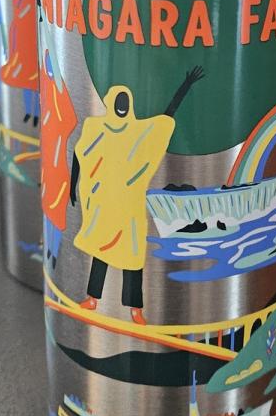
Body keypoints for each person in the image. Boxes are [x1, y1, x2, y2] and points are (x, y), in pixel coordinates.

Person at [69, 68, 204, 324]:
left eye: (125, 102)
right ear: (111, 103)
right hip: (103, 203)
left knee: (132, 256)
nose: (121, 106)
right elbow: (79, 154)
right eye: (118, 102)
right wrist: (72, 187)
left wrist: (185, 87)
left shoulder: (137, 131)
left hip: (130, 207)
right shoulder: (96, 128)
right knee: (100, 248)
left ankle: (135, 310)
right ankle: (93, 298)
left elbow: (165, 118)